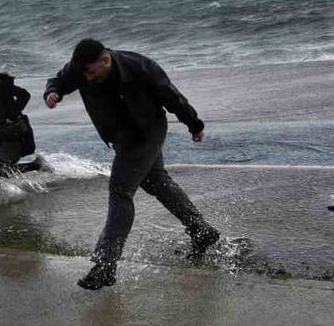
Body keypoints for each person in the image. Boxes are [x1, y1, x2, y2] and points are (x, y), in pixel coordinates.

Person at [44, 39, 220, 290]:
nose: (87, 79)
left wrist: (195, 124)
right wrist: (53, 92)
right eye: (83, 75)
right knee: (155, 181)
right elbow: (60, 80)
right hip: (121, 136)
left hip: (146, 131)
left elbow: (172, 98)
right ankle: (202, 231)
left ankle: (105, 265)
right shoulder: (81, 68)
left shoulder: (140, 68)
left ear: (105, 59)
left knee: (120, 191)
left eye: (91, 73)